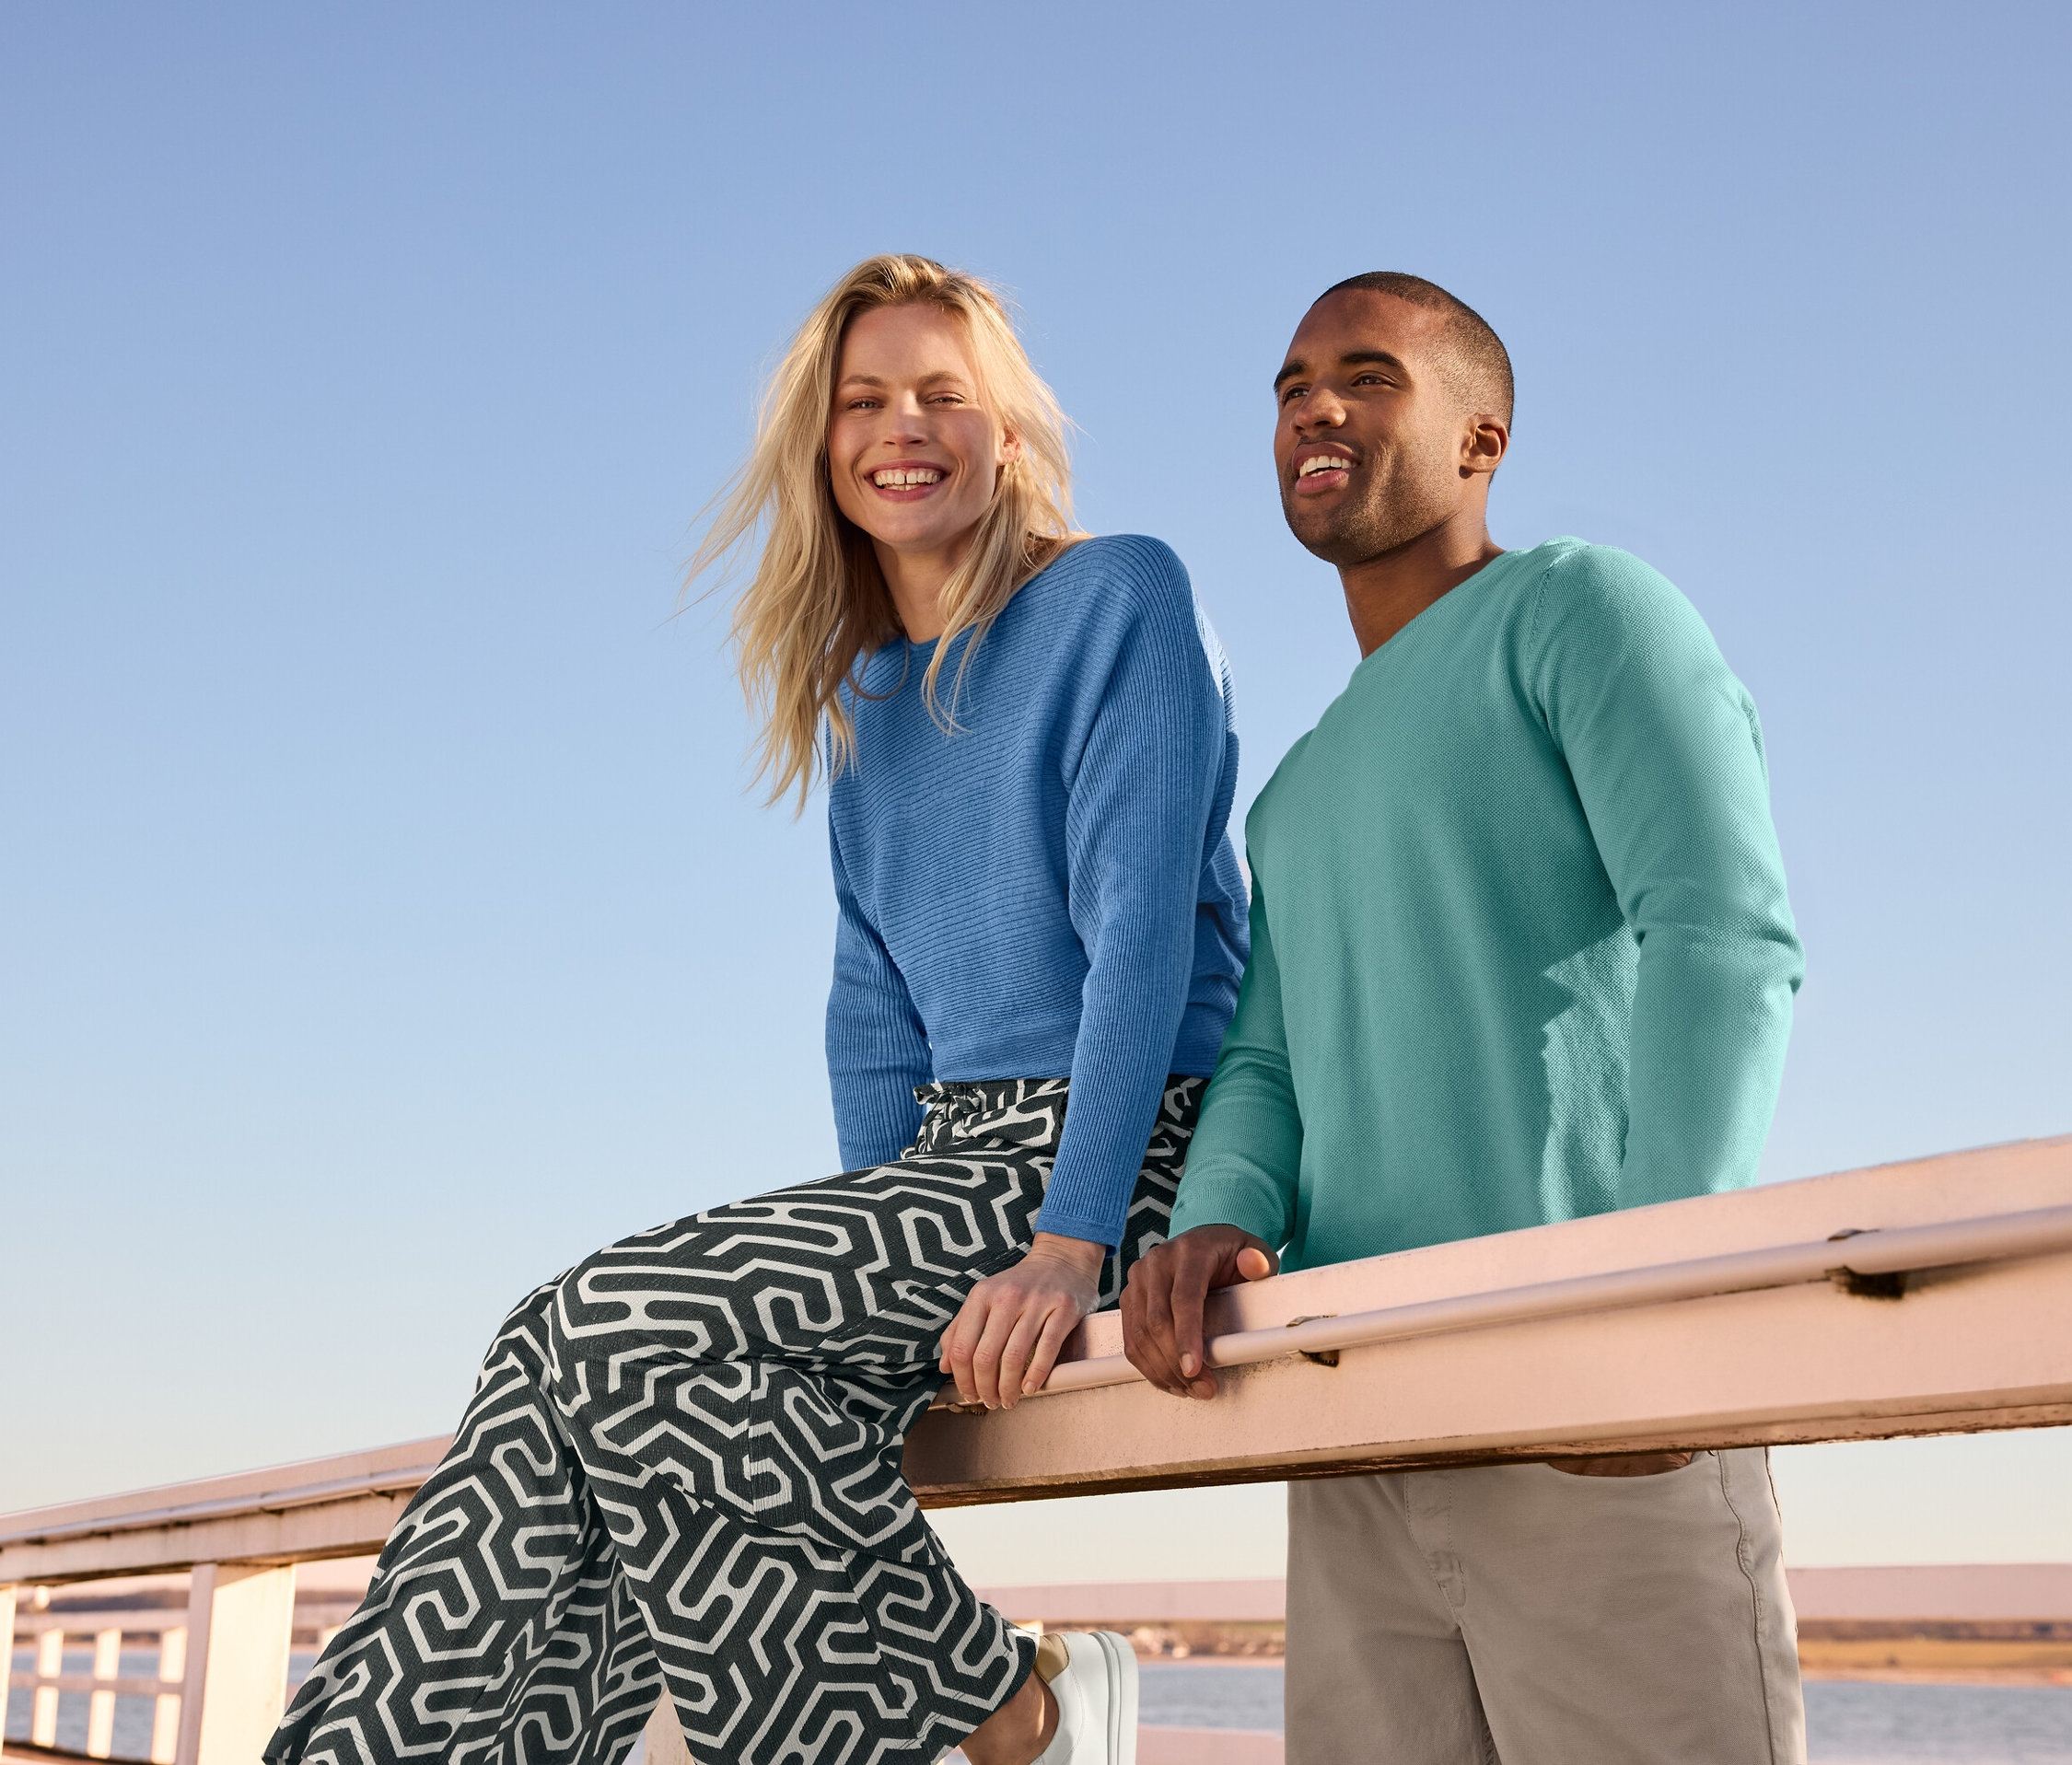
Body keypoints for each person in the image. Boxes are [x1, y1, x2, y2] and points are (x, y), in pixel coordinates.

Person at [267, 254, 1249, 1765]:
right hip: (948, 1178)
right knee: (554, 1340)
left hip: (1125, 1163)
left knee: (623, 1314)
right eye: (862, 401)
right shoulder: (866, 695)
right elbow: (872, 1012)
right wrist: (858, 1277)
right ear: (820, 445)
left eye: (940, 394)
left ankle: (1020, 1719)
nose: (899, 427)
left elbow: (1141, 948)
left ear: (1006, 431)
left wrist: (1066, 1238)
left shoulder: (1118, 594)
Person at [1122, 273, 1808, 1765]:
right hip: (1356, 1422)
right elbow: (1264, 1057)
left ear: (1480, 434)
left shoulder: (1576, 608)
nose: (1314, 404)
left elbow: (1719, 929)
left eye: (1368, 377)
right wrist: (1210, 1216)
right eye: (1293, 384)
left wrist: (1661, 1294)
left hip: (1597, 1408)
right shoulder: (1293, 792)